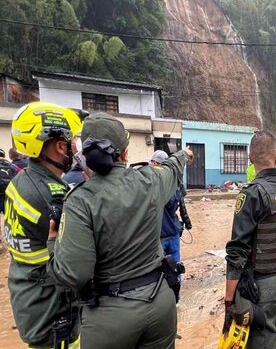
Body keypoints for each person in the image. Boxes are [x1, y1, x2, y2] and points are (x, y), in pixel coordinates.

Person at [48, 112, 193, 349]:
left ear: (84, 156)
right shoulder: (149, 181)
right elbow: (173, 167)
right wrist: (184, 154)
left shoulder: (80, 201)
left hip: (110, 316)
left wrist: (53, 242)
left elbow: (75, 274)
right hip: (160, 304)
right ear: (124, 153)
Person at [4, 101, 83, 348]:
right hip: (55, 316)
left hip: (30, 301)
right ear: (61, 147)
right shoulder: (54, 198)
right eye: (74, 143)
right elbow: (75, 265)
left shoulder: (21, 180)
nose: (77, 150)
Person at [225, 131, 276, 349]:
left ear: (250, 158)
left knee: (262, 342)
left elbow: (237, 252)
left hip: (263, 286)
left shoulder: (252, 194)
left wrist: (229, 300)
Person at [149, 149, 192, 300]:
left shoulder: (152, 185)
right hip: (173, 233)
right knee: (176, 267)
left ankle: (162, 301)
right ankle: (176, 298)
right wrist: (187, 222)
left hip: (159, 237)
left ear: (155, 164)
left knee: (159, 272)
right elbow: (182, 206)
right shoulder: (175, 183)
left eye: (152, 163)